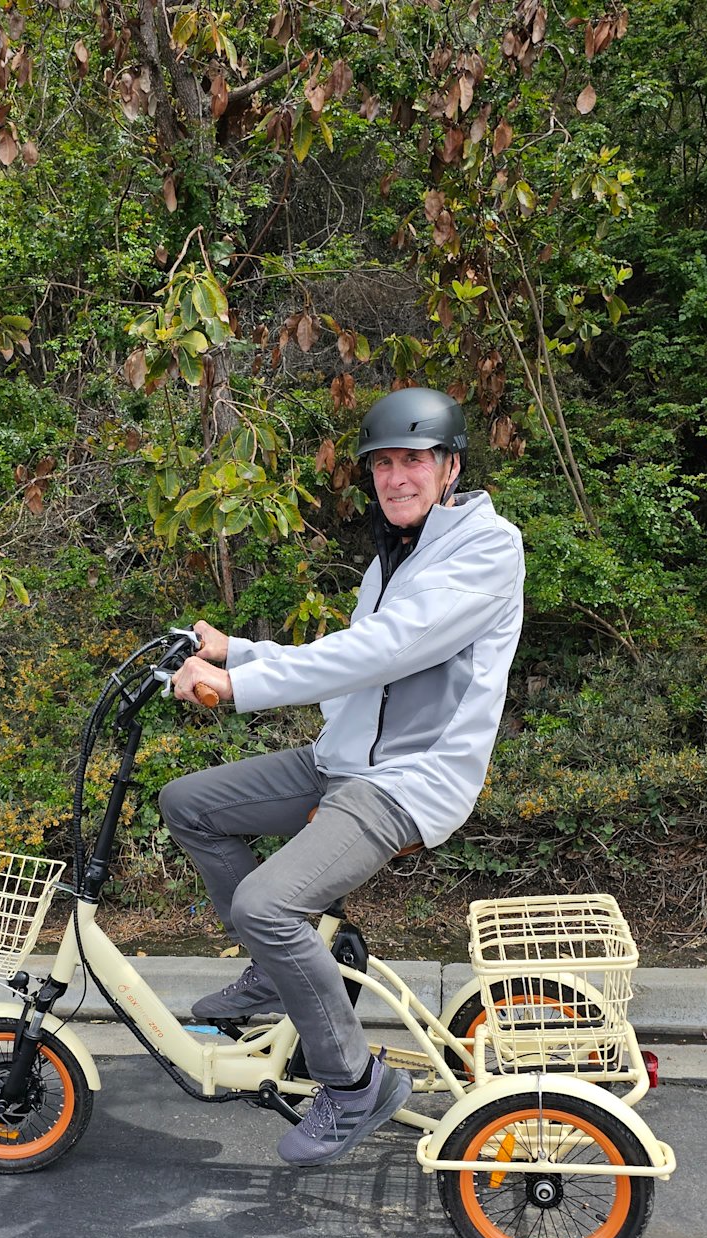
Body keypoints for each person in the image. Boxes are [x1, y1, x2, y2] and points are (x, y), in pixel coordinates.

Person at [163, 387, 526, 1167]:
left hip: (407, 782)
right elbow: (356, 663)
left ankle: (354, 1083)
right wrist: (240, 652)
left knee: (265, 903)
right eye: (384, 464)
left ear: (451, 467)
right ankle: (273, 973)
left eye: (414, 461)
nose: (397, 478)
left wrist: (239, 687)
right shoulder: (397, 554)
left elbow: (385, 651)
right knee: (189, 803)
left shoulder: (485, 550)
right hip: (344, 759)